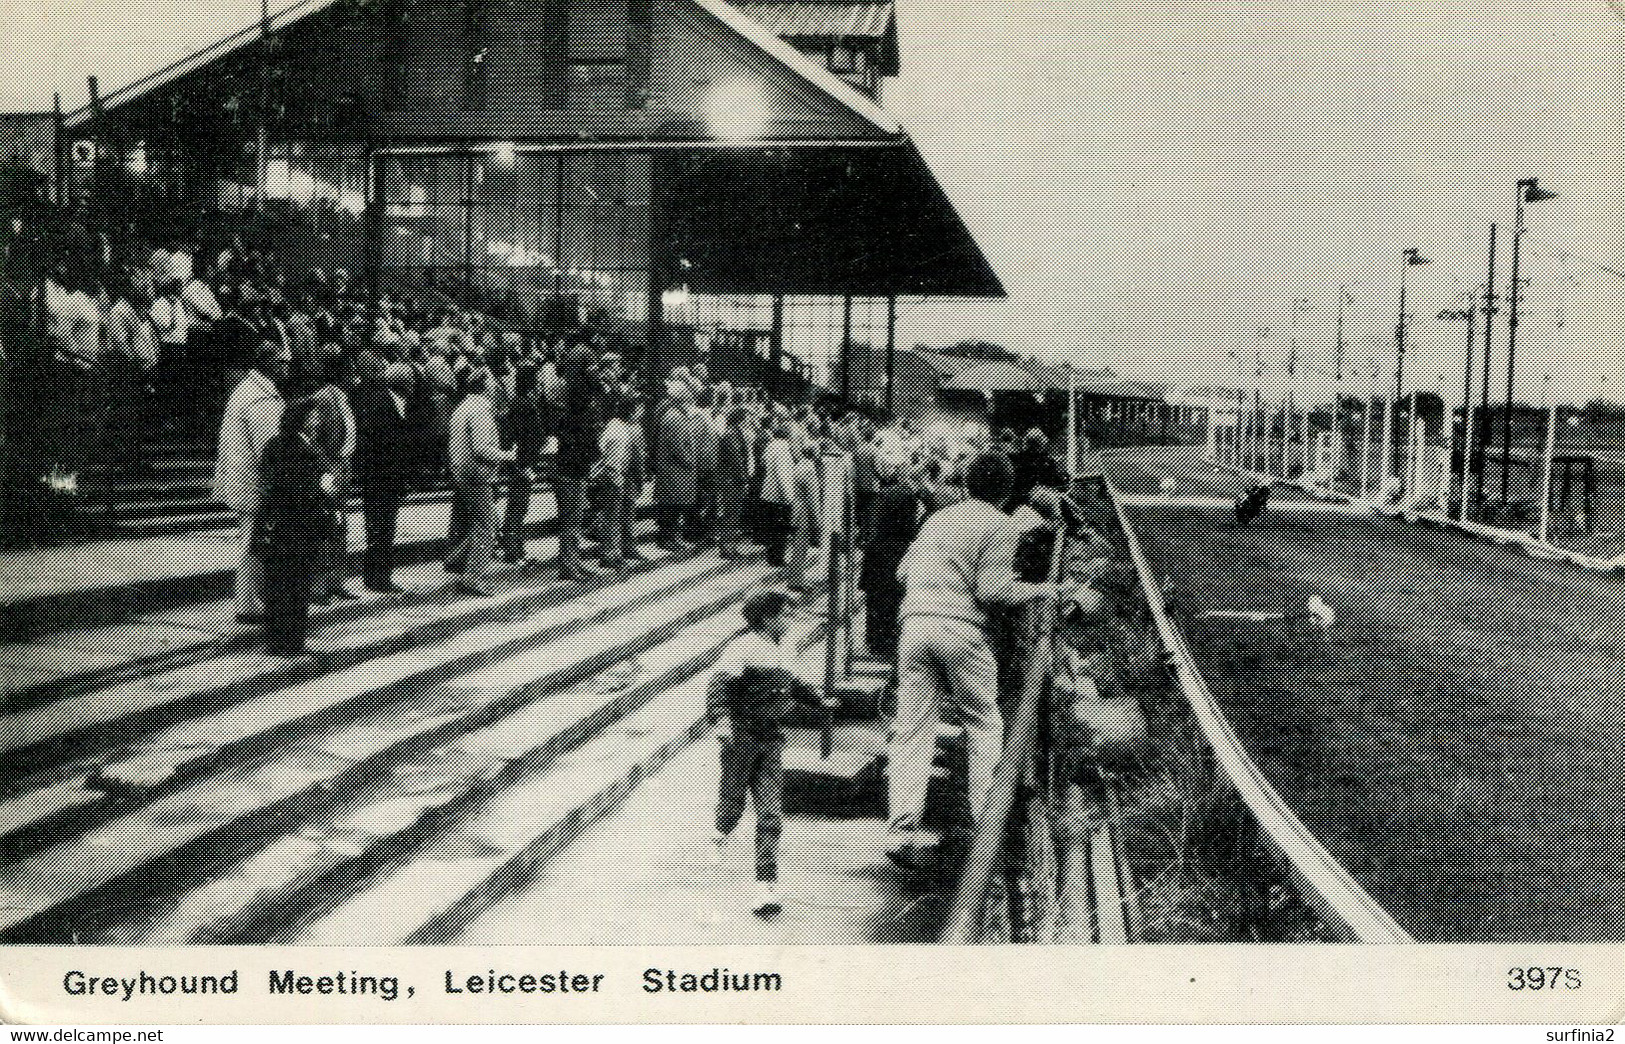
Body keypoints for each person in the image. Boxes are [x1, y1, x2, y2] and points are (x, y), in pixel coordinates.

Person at [886, 452, 1058, 870]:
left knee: (912, 727)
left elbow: (902, 573)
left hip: (914, 624)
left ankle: (901, 828)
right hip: (961, 629)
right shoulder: (1000, 525)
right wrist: (1046, 590)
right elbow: (992, 590)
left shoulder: (938, 519)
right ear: (1005, 491)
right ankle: (986, 824)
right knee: (984, 722)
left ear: (966, 484)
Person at [706, 589, 837, 915]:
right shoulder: (742, 647)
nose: (790, 621)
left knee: (770, 814)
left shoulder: (786, 648)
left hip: (772, 739)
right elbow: (719, 686)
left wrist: (819, 701)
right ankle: (718, 835)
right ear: (767, 618)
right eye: (785, 615)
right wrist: (721, 721)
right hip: (741, 738)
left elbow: (795, 684)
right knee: (733, 805)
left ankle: (765, 885)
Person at [213, 337, 289, 624]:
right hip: (253, 481)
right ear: (266, 364)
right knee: (253, 542)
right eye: (279, 363)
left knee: (252, 540)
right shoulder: (259, 397)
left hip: (244, 477)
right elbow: (270, 445)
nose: (284, 368)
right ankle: (248, 602)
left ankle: (250, 599)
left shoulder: (250, 390)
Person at [255, 398, 340, 655]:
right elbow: (292, 489)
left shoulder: (280, 444)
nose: (318, 421)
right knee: (293, 583)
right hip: (295, 525)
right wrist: (322, 487)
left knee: (284, 582)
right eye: (313, 416)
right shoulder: (297, 449)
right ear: (301, 419)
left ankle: (282, 638)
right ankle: (288, 641)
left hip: (286, 524)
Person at [444, 367, 514, 597]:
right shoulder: (480, 409)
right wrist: (509, 455)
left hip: (462, 473)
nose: (494, 386)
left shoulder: (462, 407)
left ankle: (456, 560)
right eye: (491, 383)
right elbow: (482, 449)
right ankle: (473, 577)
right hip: (476, 476)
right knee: (487, 525)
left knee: (478, 522)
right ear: (484, 386)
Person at [352, 362, 419, 593]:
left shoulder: (400, 404)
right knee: (379, 528)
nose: (413, 384)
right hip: (380, 478)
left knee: (385, 528)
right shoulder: (380, 403)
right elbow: (373, 443)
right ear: (402, 382)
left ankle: (380, 575)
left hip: (390, 478)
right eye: (410, 380)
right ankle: (376, 577)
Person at [308, 348, 359, 603]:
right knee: (323, 527)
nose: (352, 373)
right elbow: (313, 441)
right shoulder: (321, 399)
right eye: (348, 368)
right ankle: (318, 584)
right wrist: (327, 469)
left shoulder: (342, 398)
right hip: (328, 473)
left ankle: (337, 581)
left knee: (339, 525)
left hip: (341, 471)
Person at [858, 453, 920, 657]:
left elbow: (870, 526)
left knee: (875, 600)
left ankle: (874, 641)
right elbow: (910, 529)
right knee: (891, 600)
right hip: (895, 551)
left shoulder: (881, 494)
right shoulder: (907, 495)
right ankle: (887, 643)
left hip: (875, 552)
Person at [499, 362, 545, 563]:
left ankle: (515, 548)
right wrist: (525, 464)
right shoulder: (525, 405)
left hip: (521, 460)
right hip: (523, 462)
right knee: (518, 506)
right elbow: (531, 436)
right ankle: (514, 550)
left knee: (517, 506)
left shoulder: (519, 403)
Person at [595, 395, 648, 570]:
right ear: (630, 411)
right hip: (614, 477)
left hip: (621, 476)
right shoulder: (617, 430)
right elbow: (612, 458)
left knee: (620, 515)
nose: (641, 412)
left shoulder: (623, 427)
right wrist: (616, 477)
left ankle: (617, 551)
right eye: (638, 409)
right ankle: (609, 554)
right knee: (612, 517)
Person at [653, 380, 701, 550]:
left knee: (676, 505)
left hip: (678, 470)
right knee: (671, 505)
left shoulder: (678, 415)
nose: (690, 400)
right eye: (687, 397)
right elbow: (677, 445)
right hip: (674, 469)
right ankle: (667, 538)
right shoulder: (673, 417)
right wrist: (690, 461)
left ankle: (673, 537)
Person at [715, 407, 753, 559]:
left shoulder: (734, 433)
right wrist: (744, 478)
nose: (748, 421)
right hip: (731, 480)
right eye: (746, 418)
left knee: (733, 514)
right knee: (731, 513)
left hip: (731, 479)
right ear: (740, 419)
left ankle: (730, 545)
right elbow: (736, 459)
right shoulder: (732, 435)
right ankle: (726, 547)